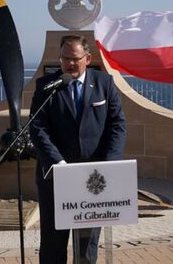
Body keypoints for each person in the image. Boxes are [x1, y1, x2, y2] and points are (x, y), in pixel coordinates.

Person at [29, 35, 126, 263]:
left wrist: (111, 166)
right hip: (55, 178)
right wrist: (58, 164)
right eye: (65, 59)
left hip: (93, 181)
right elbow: (37, 127)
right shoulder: (47, 86)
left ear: (87, 58)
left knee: (86, 250)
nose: (69, 64)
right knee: (53, 247)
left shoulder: (105, 83)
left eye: (75, 59)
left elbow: (117, 125)